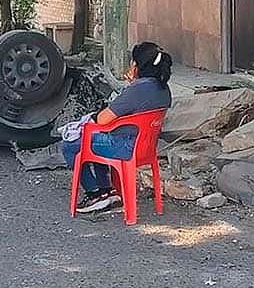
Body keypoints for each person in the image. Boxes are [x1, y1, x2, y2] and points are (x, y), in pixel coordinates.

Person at [62, 42, 173, 214]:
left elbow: (102, 119)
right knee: (97, 138)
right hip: (146, 148)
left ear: (137, 65)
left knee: (71, 145)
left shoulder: (138, 90)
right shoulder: (164, 89)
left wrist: (131, 87)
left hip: (124, 146)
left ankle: (96, 194)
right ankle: (108, 191)